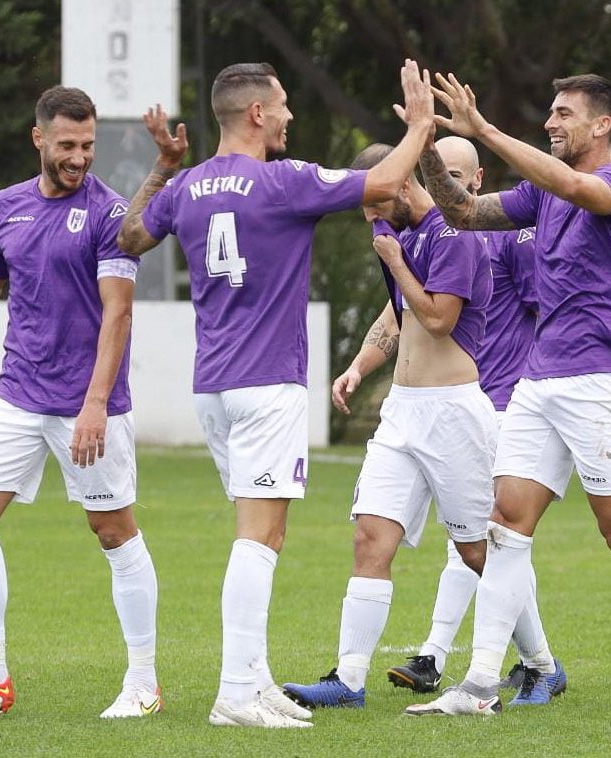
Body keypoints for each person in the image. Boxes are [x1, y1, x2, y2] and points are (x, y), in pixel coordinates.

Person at [116, 60, 435, 729]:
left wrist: (162, 167)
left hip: (215, 386)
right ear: (256, 113)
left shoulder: (190, 184)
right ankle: (235, 692)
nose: (290, 114)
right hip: (267, 384)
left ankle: (255, 681)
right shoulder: (283, 181)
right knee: (258, 541)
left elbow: (131, 237)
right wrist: (424, 125)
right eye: (283, 104)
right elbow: (384, 180)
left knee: (263, 533)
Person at [407, 72, 611, 718]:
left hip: (598, 380)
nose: (551, 123)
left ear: (602, 125)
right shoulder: (539, 193)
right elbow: (464, 214)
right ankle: (476, 687)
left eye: (563, 114)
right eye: (549, 114)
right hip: (539, 378)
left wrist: (486, 131)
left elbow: (577, 187)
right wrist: (424, 145)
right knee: (506, 526)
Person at [0, 86, 160, 720]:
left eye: (88, 146)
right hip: (18, 394)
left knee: (112, 530)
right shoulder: (6, 207)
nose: (79, 157)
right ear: (39, 140)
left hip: (88, 402)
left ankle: (144, 684)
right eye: (67, 145)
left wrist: (96, 403)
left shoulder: (109, 215)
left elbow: (119, 314)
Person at [280, 140, 494, 712]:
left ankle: (539, 663)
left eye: (375, 203)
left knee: (480, 552)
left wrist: (395, 258)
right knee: (370, 536)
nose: (370, 217)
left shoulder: (454, 234)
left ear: (403, 185)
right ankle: (348, 680)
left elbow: (438, 318)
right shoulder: (399, 233)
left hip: (453, 411)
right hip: (401, 411)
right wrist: (358, 366)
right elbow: (398, 313)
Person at [385, 136, 566, 707]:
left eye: (457, 175)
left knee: (485, 537)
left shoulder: (509, 237)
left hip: (505, 400)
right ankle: (452, 658)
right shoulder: (433, 237)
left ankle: (443, 658)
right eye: (437, 173)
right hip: (454, 399)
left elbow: (549, 311)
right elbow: (402, 313)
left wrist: (535, 395)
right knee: (476, 539)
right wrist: (360, 364)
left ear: (479, 178)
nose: (448, 185)